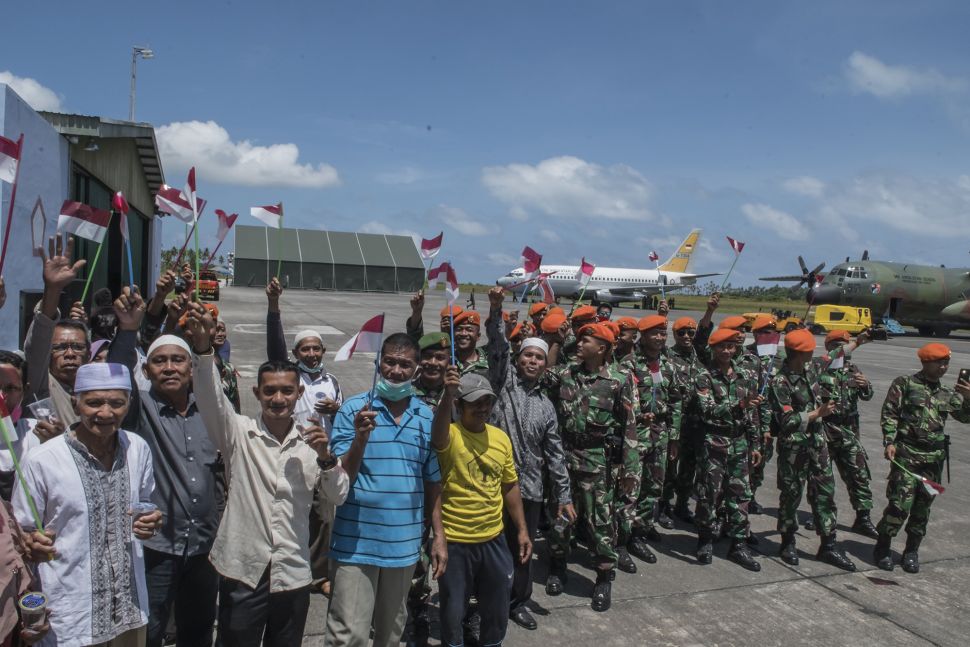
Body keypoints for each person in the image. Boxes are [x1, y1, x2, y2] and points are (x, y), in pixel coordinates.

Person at [185, 303, 349, 647]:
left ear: (299, 393)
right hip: (243, 569)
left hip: (292, 571)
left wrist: (326, 458)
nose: (278, 398)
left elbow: (338, 495)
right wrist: (203, 351)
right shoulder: (238, 433)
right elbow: (210, 397)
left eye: (287, 391)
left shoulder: (312, 443)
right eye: (270, 391)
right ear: (257, 393)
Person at [13, 362, 163, 647]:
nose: (106, 413)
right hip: (69, 616)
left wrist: (152, 520)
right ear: (76, 402)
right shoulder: (42, 461)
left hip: (129, 611)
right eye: (94, 403)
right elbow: (19, 531)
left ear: (129, 403)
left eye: (117, 403)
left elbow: (145, 506)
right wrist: (30, 542)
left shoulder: (138, 448)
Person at [107, 288, 223, 647]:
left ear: (192, 368)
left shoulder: (213, 411)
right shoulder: (138, 411)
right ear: (146, 369)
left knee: (199, 629)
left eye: (178, 360)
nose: (170, 368)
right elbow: (115, 377)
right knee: (150, 629)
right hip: (157, 547)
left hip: (205, 545)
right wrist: (128, 331)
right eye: (160, 361)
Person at [324, 333, 447, 647]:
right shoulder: (354, 410)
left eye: (405, 364)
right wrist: (359, 440)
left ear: (416, 369)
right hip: (356, 544)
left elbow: (432, 479)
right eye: (390, 361)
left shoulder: (425, 416)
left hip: (403, 547)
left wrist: (439, 535)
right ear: (379, 363)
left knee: (391, 634)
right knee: (348, 635)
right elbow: (339, 478)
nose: (396, 370)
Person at [543, 323, 638, 612]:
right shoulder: (567, 373)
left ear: (603, 348)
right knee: (560, 516)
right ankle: (558, 567)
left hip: (597, 459)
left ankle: (603, 576)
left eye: (587, 340)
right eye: (580, 339)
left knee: (600, 522)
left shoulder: (619, 380)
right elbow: (544, 375)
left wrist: (630, 470)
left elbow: (629, 425)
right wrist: (556, 342)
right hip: (564, 457)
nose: (580, 343)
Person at [432, 369, 532, 645]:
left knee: (497, 609)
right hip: (455, 542)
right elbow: (438, 437)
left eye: (487, 401)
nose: (482, 408)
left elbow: (510, 486)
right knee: (452, 612)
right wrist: (446, 396)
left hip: (493, 540)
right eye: (475, 402)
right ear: (459, 406)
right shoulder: (450, 434)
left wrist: (522, 530)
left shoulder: (500, 438)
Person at [768, 328, 868, 571]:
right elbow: (786, 422)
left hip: (817, 445)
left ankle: (829, 545)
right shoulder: (779, 382)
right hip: (794, 447)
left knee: (825, 493)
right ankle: (788, 541)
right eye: (809, 350)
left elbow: (834, 353)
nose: (814, 353)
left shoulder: (811, 368)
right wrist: (816, 414)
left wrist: (860, 341)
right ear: (798, 353)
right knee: (791, 495)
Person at [490, 337, 572, 631]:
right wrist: (500, 320)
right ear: (518, 358)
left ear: (545, 364)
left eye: (539, 357)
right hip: (493, 487)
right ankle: (482, 603)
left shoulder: (546, 406)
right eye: (527, 355)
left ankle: (517, 603)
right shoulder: (502, 387)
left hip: (531, 489)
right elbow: (497, 353)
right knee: (488, 548)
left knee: (522, 550)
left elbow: (555, 454)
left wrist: (564, 495)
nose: (533, 361)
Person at [874, 342, 970, 573]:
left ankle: (911, 551)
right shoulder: (905, 384)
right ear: (926, 362)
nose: (944, 367)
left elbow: (965, 418)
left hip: (933, 461)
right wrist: (889, 441)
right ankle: (883, 546)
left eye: (946, 363)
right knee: (899, 506)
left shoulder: (948, 393)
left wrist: (968, 398)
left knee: (922, 509)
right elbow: (890, 413)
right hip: (907, 456)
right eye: (939, 363)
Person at [693, 328, 765, 571]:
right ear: (713, 349)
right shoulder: (704, 377)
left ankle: (738, 544)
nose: (726, 351)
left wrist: (755, 443)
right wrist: (738, 404)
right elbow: (707, 410)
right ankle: (704, 539)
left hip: (740, 443)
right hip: (714, 442)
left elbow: (752, 413)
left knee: (740, 494)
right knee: (709, 494)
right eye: (721, 347)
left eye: (731, 346)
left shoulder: (745, 375)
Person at [816, 330, 878, 539]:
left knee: (859, 476)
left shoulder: (853, 369)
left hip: (849, 432)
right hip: (825, 430)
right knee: (823, 478)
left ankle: (863, 518)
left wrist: (866, 385)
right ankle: (819, 516)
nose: (844, 347)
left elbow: (867, 396)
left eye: (845, 343)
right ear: (828, 347)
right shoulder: (820, 368)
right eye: (838, 344)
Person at [23, 238, 90, 426]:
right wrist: (52, 289)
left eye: (77, 347)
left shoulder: (99, 389)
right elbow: (38, 343)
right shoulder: (41, 385)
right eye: (60, 347)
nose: (70, 354)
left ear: (89, 353)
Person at [265, 277, 342, 429]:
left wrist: (336, 410)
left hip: (324, 450)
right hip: (294, 449)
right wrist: (273, 302)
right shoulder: (289, 375)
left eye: (316, 349)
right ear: (295, 353)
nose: (312, 354)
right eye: (305, 349)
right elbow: (275, 343)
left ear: (323, 351)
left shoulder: (332, 382)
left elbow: (344, 421)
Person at [665, 316, 705, 523]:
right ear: (674, 334)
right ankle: (664, 506)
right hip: (675, 420)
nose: (687, 337)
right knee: (669, 466)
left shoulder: (700, 356)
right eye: (681, 333)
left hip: (695, 422)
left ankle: (681, 504)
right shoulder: (668, 356)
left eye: (691, 332)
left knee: (689, 466)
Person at [740, 314, 781, 514]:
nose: (768, 335)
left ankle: (752, 495)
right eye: (763, 332)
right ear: (755, 334)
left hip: (769, 420)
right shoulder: (744, 356)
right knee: (743, 462)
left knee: (760, 461)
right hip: (747, 418)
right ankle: (740, 497)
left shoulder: (780, 359)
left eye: (771, 332)